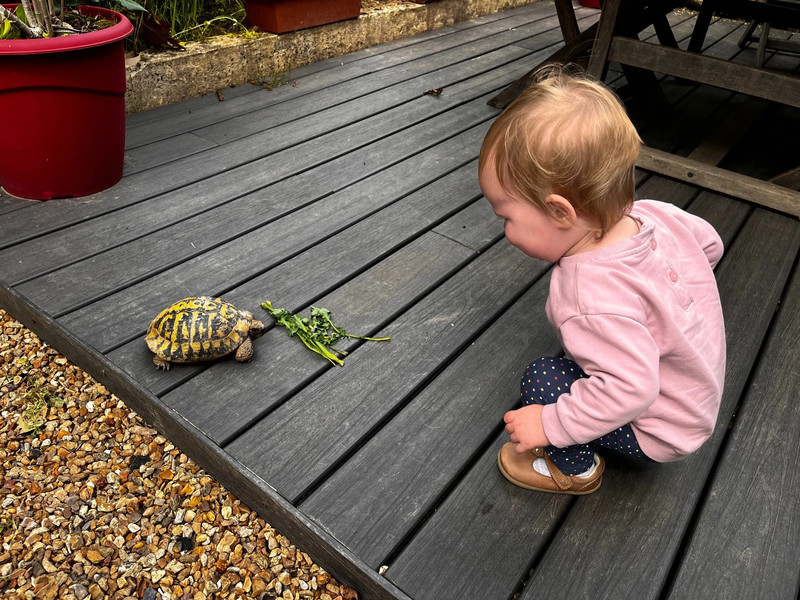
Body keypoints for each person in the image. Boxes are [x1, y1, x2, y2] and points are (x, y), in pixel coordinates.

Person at [479, 68, 726, 495]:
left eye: (507, 216)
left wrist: (548, 423)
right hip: (696, 395)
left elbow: (634, 388)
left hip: (660, 430)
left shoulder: (588, 293)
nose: (504, 229)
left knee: (540, 379)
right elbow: (710, 245)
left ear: (560, 212)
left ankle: (575, 469)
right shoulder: (654, 214)